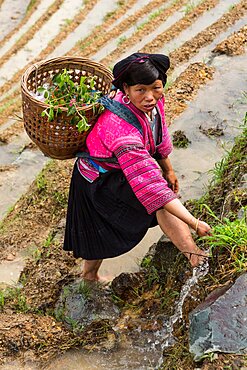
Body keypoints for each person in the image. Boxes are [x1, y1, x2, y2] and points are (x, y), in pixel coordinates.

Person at [63, 52, 210, 282]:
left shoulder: (153, 103)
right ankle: (90, 276)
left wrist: (168, 169)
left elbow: (159, 136)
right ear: (126, 90)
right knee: (104, 230)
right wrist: (194, 222)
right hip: (98, 179)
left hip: (120, 170)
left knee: (161, 200)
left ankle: (193, 256)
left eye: (156, 87)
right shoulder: (121, 132)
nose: (150, 97)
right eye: (141, 89)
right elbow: (153, 188)